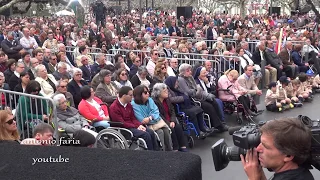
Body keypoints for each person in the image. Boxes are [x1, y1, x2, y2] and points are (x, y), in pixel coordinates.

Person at [240, 118, 314, 180]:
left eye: (265, 146)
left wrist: (253, 178)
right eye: (260, 142)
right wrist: (258, 173)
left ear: (288, 156)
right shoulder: (299, 172)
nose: (258, 149)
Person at [177, 63, 227, 131]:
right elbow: (188, 92)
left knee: (214, 101)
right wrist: (197, 90)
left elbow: (198, 89)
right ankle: (218, 126)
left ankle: (221, 122)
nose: (190, 72)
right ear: (183, 72)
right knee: (209, 106)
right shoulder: (181, 79)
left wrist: (199, 91)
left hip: (199, 95)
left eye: (190, 70)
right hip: (193, 99)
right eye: (188, 71)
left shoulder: (190, 77)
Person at [109, 86, 157, 151]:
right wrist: (136, 126)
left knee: (151, 132)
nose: (132, 97)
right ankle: (150, 154)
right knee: (146, 135)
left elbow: (133, 118)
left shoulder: (128, 105)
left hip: (132, 126)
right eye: (131, 95)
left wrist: (139, 125)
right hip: (124, 129)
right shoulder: (114, 107)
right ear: (124, 96)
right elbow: (121, 123)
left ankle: (156, 151)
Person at [131, 85, 173, 151]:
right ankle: (161, 152)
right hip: (146, 125)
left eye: (148, 91)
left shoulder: (150, 100)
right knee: (160, 132)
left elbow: (156, 111)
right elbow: (141, 119)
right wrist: (152, 116)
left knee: (166, 130)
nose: (148, 93)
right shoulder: (134, 104)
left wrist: (150, 118)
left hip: (155, 122)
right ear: (139, 94)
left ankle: (170, 150)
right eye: (145, 92)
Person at [152, 83, 188, 152]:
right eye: (165, 91)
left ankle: (182, 146)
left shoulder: (167, 100)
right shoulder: (155, 102)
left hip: (170, 120)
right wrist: (168, 123)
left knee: (178, 127)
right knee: (172, 129)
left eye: (167, 90)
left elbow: (172, 111)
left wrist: (172, 120)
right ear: (159, 93)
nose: (167, 92)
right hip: (162, 121)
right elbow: (159, 115)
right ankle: (175, 148)